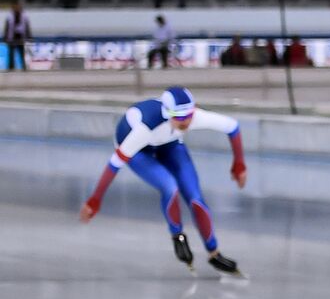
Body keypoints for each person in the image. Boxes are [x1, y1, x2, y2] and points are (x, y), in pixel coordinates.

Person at [78, 87, 246, 276]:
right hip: (139, 151)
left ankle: (214, 252)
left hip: (169, 143)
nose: (185, 123)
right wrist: (95, 199)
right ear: (167, 114)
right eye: (178, 117)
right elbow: (114, 163)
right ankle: (178, 236)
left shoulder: (194, 117)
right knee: (170, 186)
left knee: (195, 196)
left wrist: (239, 164)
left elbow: (233, 127)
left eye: (188, 116)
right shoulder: (145, 129)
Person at [3, 4, 31, 72]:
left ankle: (24, 67)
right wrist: (5, 37)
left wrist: (29, 36)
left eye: (18, 8)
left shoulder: (24, 16)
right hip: (12, 37)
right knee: (11, 54)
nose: (17, 9)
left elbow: (27, 27)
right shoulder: (9, 17)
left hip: (20, 37)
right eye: (15, 8)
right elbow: (6, 28)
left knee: (22, 53)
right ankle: (11, 67)